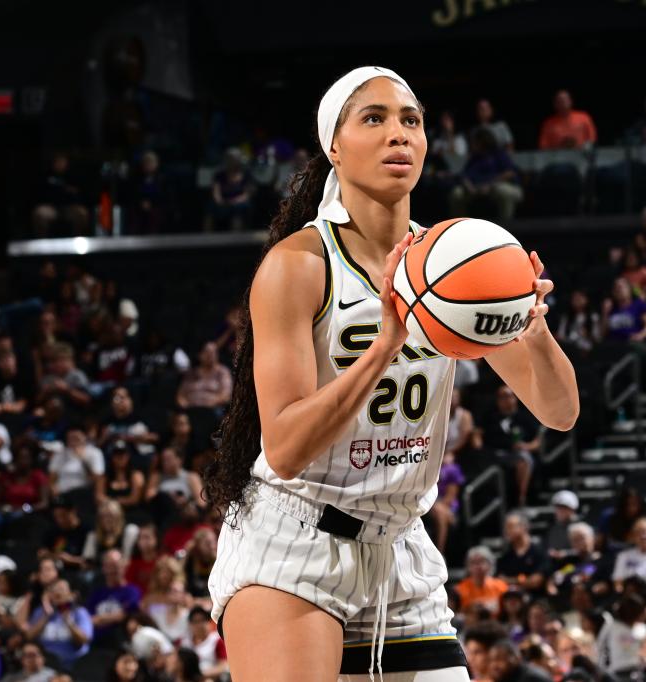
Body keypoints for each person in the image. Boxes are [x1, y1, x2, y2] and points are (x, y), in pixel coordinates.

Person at [203, 66, 579, 682]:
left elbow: (560, 411)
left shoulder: (450, 262)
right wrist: (384, 346)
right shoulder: (298, 264)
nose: (397, 134)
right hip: (295, 538)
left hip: (399, 546)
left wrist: (530, 329)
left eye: (411, 120)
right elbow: (288, 447)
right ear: (333, 145)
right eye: (372, 119)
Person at [473, 386, 542, 507]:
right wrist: (478, 445)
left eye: (508, 396)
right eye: (501, 397)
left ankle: (521, 497)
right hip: (492, 452)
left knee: (524, 459)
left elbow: (537, 442)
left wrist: (525, 446)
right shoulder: (490, 416)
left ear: (515, 398)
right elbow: (477, 433)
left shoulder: (524, 417)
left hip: (514, 454)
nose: (505, 400)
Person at [449, 127, 524, 221]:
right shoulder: (475, 157)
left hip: (500, 187)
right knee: (457, 193)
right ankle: (461, 226)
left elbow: (509, 173)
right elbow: (464, 175)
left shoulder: (499, 154)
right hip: (477, 189)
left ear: (482, 142)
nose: (471, 145)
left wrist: (490, 185)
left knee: (503, 191)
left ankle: (506, 227)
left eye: (474, 142)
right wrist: (468, 185)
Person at [26, 579, 93, 670]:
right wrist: (46, 617)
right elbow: (29, 637)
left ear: (71, 594)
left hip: (73, 663)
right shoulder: (41, 611)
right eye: (54, 590)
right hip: (45, 663)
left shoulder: (79, 612)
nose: (57, 593)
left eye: (61, 589)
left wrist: (68, 621)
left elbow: (84, 640)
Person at [497, 512, 552, 594]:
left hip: (537, 599)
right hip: (513, 600)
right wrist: (523, 580)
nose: (506, 531)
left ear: (524, 527)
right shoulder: (506, 555)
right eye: (506, 528)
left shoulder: (540, 550)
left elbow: (535, 582)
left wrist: (512, 580)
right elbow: (500, 581)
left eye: (510, 527)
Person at [208, 148, 256, 231]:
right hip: (223, 201)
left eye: (234, 158)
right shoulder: (219, 175)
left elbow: (247, 194)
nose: (232, 161)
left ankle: (235, 239)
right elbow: (216, 192)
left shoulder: (246, 174)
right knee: (210, 208)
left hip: (239, 202)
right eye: (229, 158)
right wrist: (220, 201)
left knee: (238, 210)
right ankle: (207, 239)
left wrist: (235, 201)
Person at [175, 342, 232, 411]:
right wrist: (184, 405)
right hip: (191, 410)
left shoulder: (222, 372)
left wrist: (207, 405)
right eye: (208, 352)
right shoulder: (192, 373)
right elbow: (180, 395)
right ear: (200, 355)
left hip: (212, 410)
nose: (211, 355)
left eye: (214, 352)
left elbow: (225, 396)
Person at [487, 639, 553, 682]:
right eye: (491, 660)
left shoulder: (533, 678)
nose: (494, 665)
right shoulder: (506, 678)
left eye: (499, 659)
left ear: (516, 658)